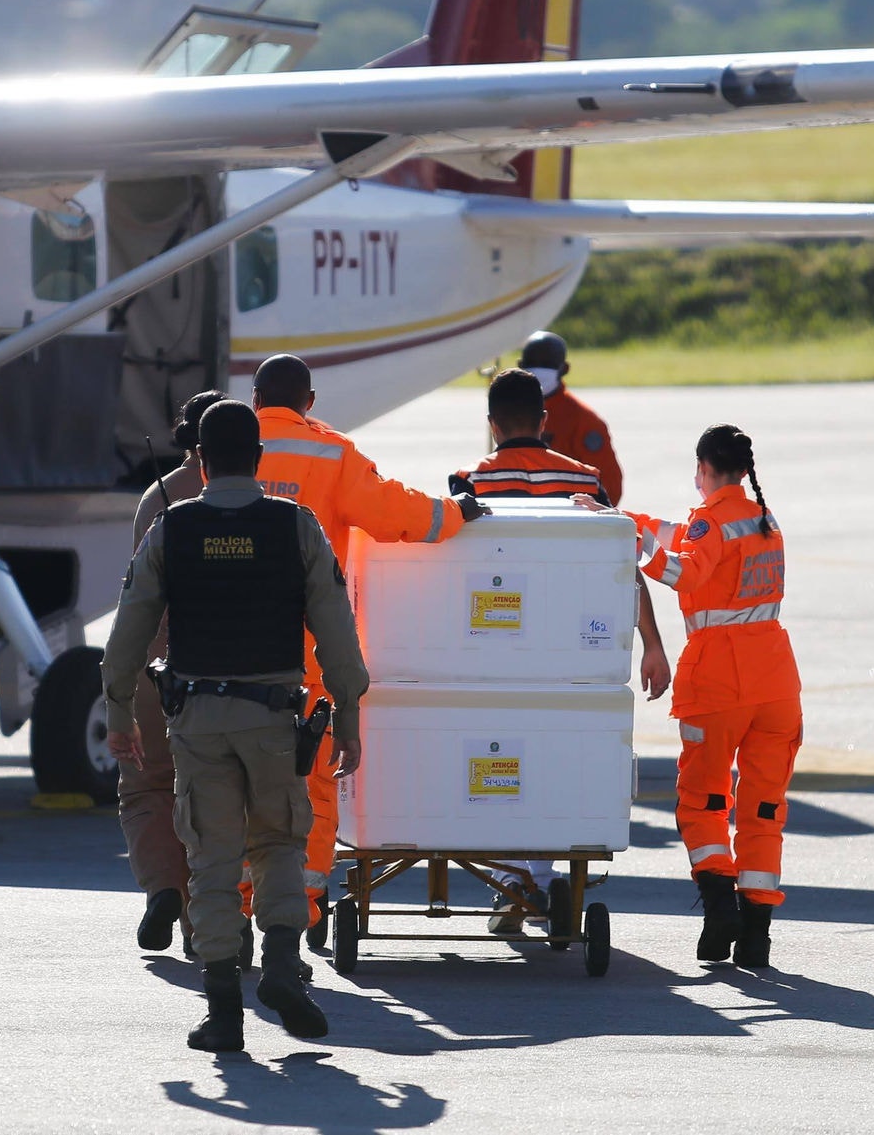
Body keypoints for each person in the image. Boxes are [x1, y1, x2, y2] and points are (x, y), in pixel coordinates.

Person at [100, 399, 371, 1053]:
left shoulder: (171, 527)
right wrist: (351, 717)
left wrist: (116, 712)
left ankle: (223, 1009)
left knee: (211, 861)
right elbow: (338, 634)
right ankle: (281, 967)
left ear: (203, 457)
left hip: (196, 721)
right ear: (257, 459)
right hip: (274, 718)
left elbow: (128, 633)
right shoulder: (296, 526)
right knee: (278, 844)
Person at [249, 354, 485, 939]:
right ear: (309, 402)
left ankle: (232, 904)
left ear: (256, 401)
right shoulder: (330, 454)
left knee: (232, 776)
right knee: (310, 776)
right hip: (304, 647)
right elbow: (395, 513)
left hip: (226, 645)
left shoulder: (225, 444)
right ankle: (299, 909)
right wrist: (456, 512)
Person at [452, 369, 670, 933]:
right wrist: (652, 644)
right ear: (545, 420)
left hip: (490, 649)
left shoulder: (467, 484)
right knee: (547, 756)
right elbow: (623, 568)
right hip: (565, 655)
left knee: (493, 762)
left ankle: (508, 881)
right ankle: (542, 878)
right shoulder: (585, 483)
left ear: (492, 424)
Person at [577, 425, 799, 969]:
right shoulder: (761, 520)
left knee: (703, 802)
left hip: (721, 681)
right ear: (743, 472)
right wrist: (626, 519)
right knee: (763, 809)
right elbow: (681, 532)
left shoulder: (711, 521)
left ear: (704, 469)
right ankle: (756, 935)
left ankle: (720, 908)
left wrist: (624, 539)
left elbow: (683, 568)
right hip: (775, 684)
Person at [121, 389, 226, 954]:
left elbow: (135, 598)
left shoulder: (156, 498)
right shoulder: (250, 500)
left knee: (147, 787)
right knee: (214, 796)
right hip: (223, 671)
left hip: (152, 667)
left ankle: (164, 888)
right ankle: (204, 925)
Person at [517, 330, 624, 506]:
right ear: (521, 365)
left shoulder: (584, 421)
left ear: (564, 369)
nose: (539, 370)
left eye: (547, 364)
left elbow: (610, 489)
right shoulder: (508, 411)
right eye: (533, 363)